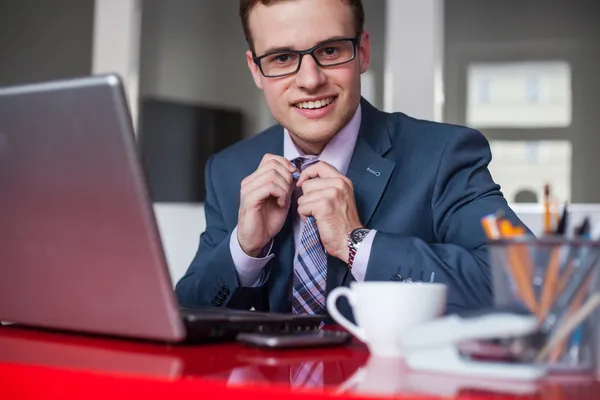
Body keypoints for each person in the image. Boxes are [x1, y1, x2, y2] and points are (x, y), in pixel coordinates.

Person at [175, 0, 526, 319]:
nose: (310, 80)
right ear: (255, 70)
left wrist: (357, 242)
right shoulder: (229, 170)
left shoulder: (443, 154)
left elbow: (525, 285)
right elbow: (185, 313)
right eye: (282, 58)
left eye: (329, 50)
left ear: (363, 52)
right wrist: (244, 250)